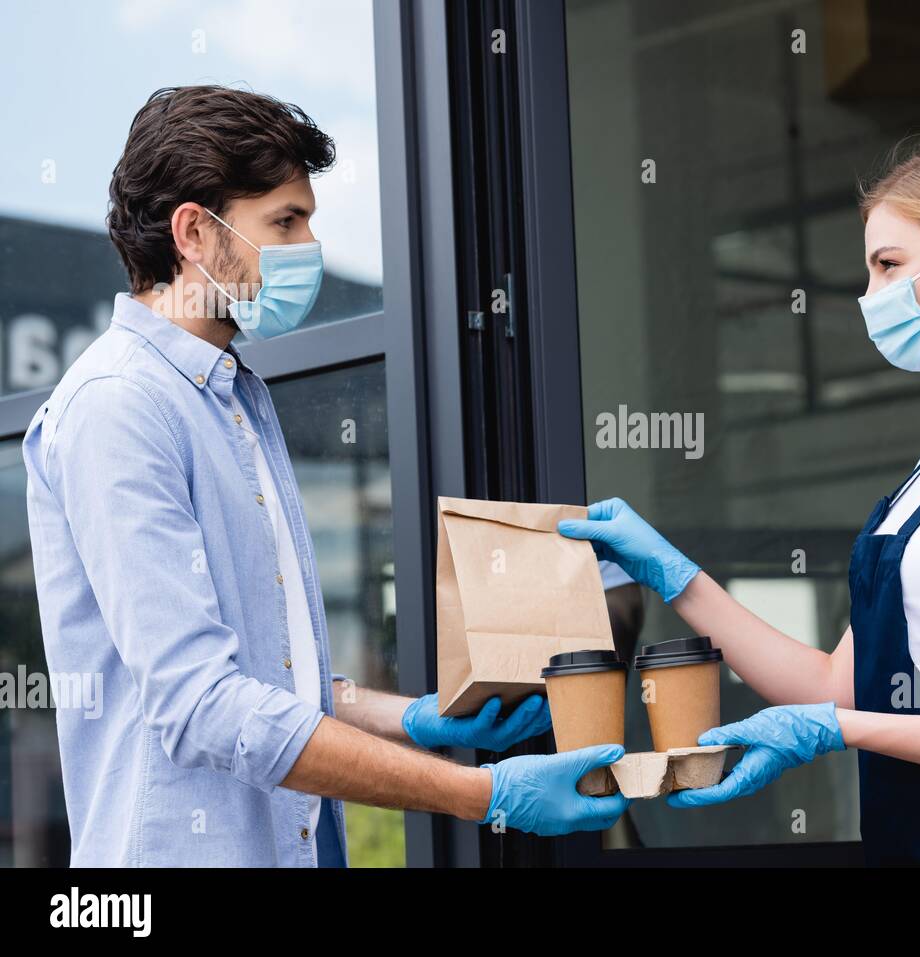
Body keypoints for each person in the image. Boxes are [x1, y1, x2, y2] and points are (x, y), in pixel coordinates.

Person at [23, 85, 627, 867]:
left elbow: (268, 677)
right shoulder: (119, 407)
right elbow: (202, 704)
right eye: (285, 221)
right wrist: (486, 794)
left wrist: (413, 718)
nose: (308, 244)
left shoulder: (236, 397)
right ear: (194, 234)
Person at [559, 139, 920, 866]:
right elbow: (837, 683)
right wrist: (677, 575)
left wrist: (841, 729)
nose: (868, 293)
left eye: (887, 263)